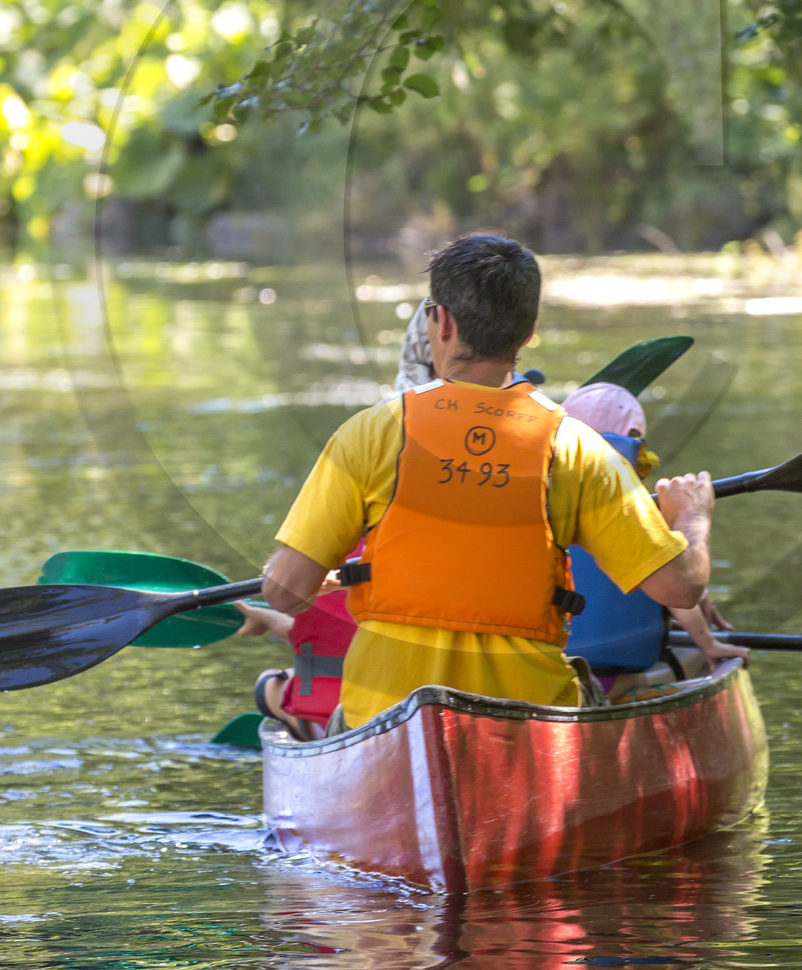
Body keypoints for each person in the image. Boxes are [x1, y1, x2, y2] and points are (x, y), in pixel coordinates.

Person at [259, 232, 717, 728]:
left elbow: (284, 595)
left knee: (338, 719)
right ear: (528, 333)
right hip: (529, 719)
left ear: (443, 322)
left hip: (388, 717)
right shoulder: (579, 449)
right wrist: (692, 517)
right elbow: (680, 587)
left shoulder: (368, 434)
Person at [560, 380, 748, 697]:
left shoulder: (545, 498)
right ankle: (636, 684)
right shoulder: (638, 512)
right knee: (695, 657)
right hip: (608, 676)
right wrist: (709, 644)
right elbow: (678, 598)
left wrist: (703, 596)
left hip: (549, 658)